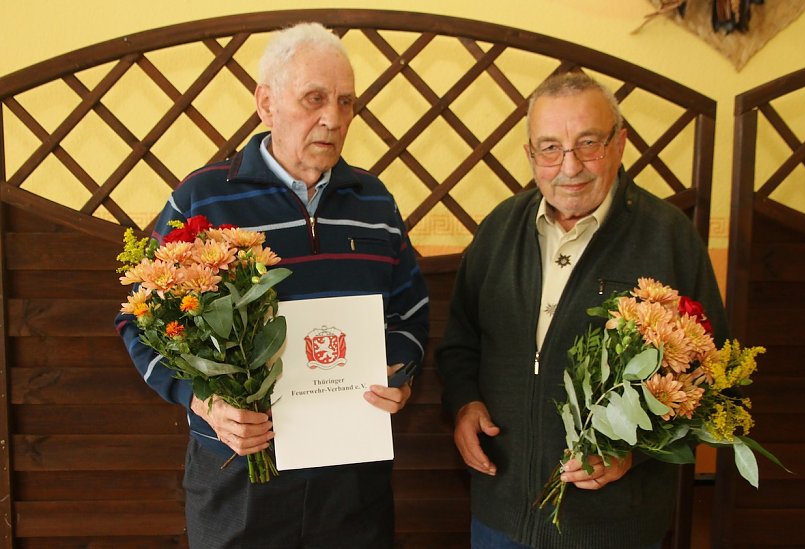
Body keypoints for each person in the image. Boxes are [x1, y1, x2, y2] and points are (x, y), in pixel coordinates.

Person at [115, 22, 429, 548]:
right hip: (237, 473)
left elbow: (410, 310)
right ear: (266, 103)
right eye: (314, 98)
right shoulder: (203, 200)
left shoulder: (375, 203)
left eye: (347, 102)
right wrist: (203, 400)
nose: (333, 118)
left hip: (352, 478)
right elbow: (138, 320)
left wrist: (400, 372)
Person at [435, 71, 729, 548]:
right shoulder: (498, 230)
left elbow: (711, 380)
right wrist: (465, 404)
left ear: (620, 143)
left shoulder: (667, 237)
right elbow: (460, 344)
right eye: (549, 148)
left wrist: (634, 454)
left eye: (588, 143)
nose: (569, 166)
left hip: (615, 529)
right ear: (531, 155)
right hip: (500, 517)